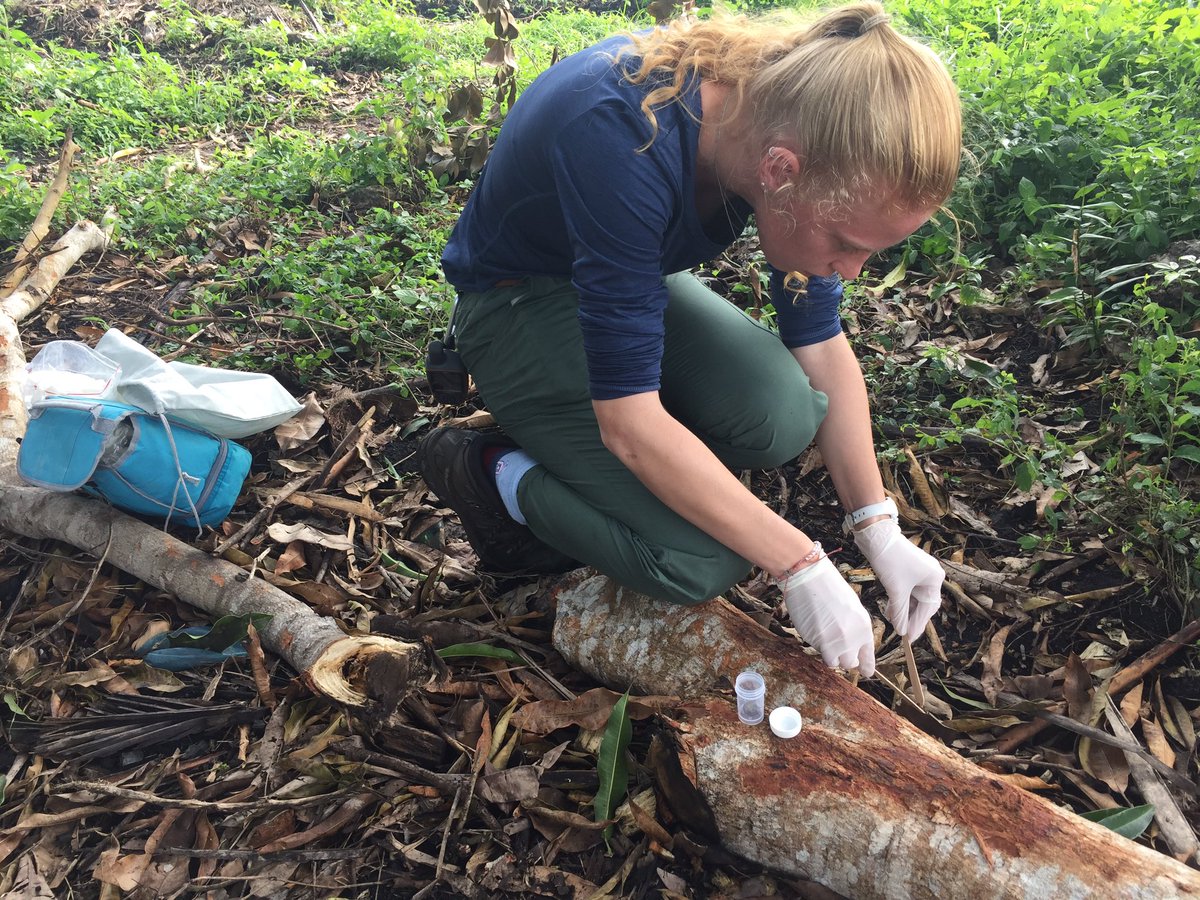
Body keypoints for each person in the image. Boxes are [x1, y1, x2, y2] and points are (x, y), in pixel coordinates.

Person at [418, 1, 957, 677]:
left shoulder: (782, 124)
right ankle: (488, 465)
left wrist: (876, 526)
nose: (851, 272)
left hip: (622, 279)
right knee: (701, 559)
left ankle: (630, 457)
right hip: (515, 302)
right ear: (780, 172)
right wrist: (800, 563)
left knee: (782, 415)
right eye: (847, 245)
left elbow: (819, 341)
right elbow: (631, 426)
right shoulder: (620, 132)